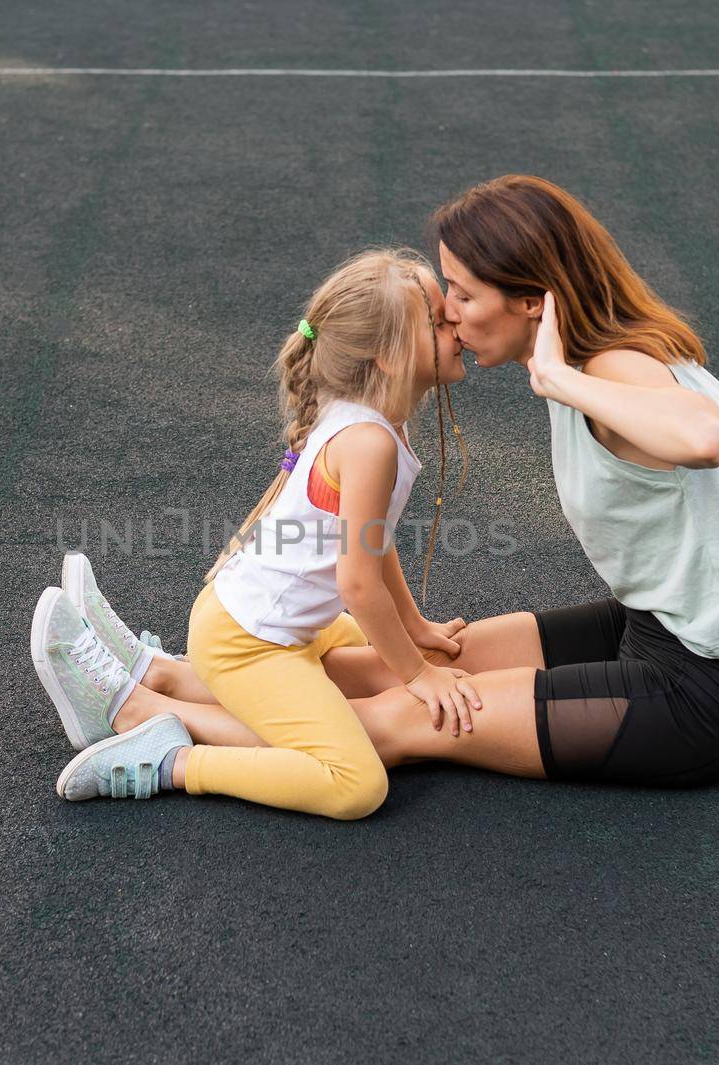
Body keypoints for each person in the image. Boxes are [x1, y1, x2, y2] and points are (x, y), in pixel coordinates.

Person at [38, 173, 719, 807]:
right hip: (649, 627)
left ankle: (149, 722)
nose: (449, 311)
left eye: (464, 294)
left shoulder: (606, 371)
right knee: (383, 663)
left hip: (699, 696)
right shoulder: (599, 356)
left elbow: (703, 439)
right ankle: (161, 673)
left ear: (533, 301)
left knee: (406, 716)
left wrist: (558, 379)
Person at [31, 247, 477, 818]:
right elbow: (360, 584)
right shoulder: (370, 443)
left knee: (368, 659)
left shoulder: (374, 419)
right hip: (250, 643)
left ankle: (153, 673)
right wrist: (418, 675)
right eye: (438, 322)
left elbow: (373, 539)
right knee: (357, 784)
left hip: (259, 623)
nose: (456, 324)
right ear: (387, 358)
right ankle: (174, 758)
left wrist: (413, 628)